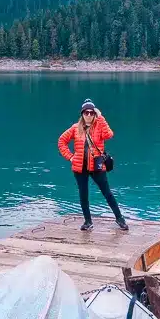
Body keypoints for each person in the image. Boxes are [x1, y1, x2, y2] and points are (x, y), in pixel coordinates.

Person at [58, 99, 128, 232]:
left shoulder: (99, 126)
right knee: (83, 195)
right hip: (80, 168)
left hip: (97, 166)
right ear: (82, 114)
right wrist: (70, 157)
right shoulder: (74, 128)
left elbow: (109, 134)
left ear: (94, 114)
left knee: (107, 193)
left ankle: (120, 219)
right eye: (86, 112)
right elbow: (61, 141)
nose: (89, 115)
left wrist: (101, 117)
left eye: (91, 112)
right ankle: (88, 221)